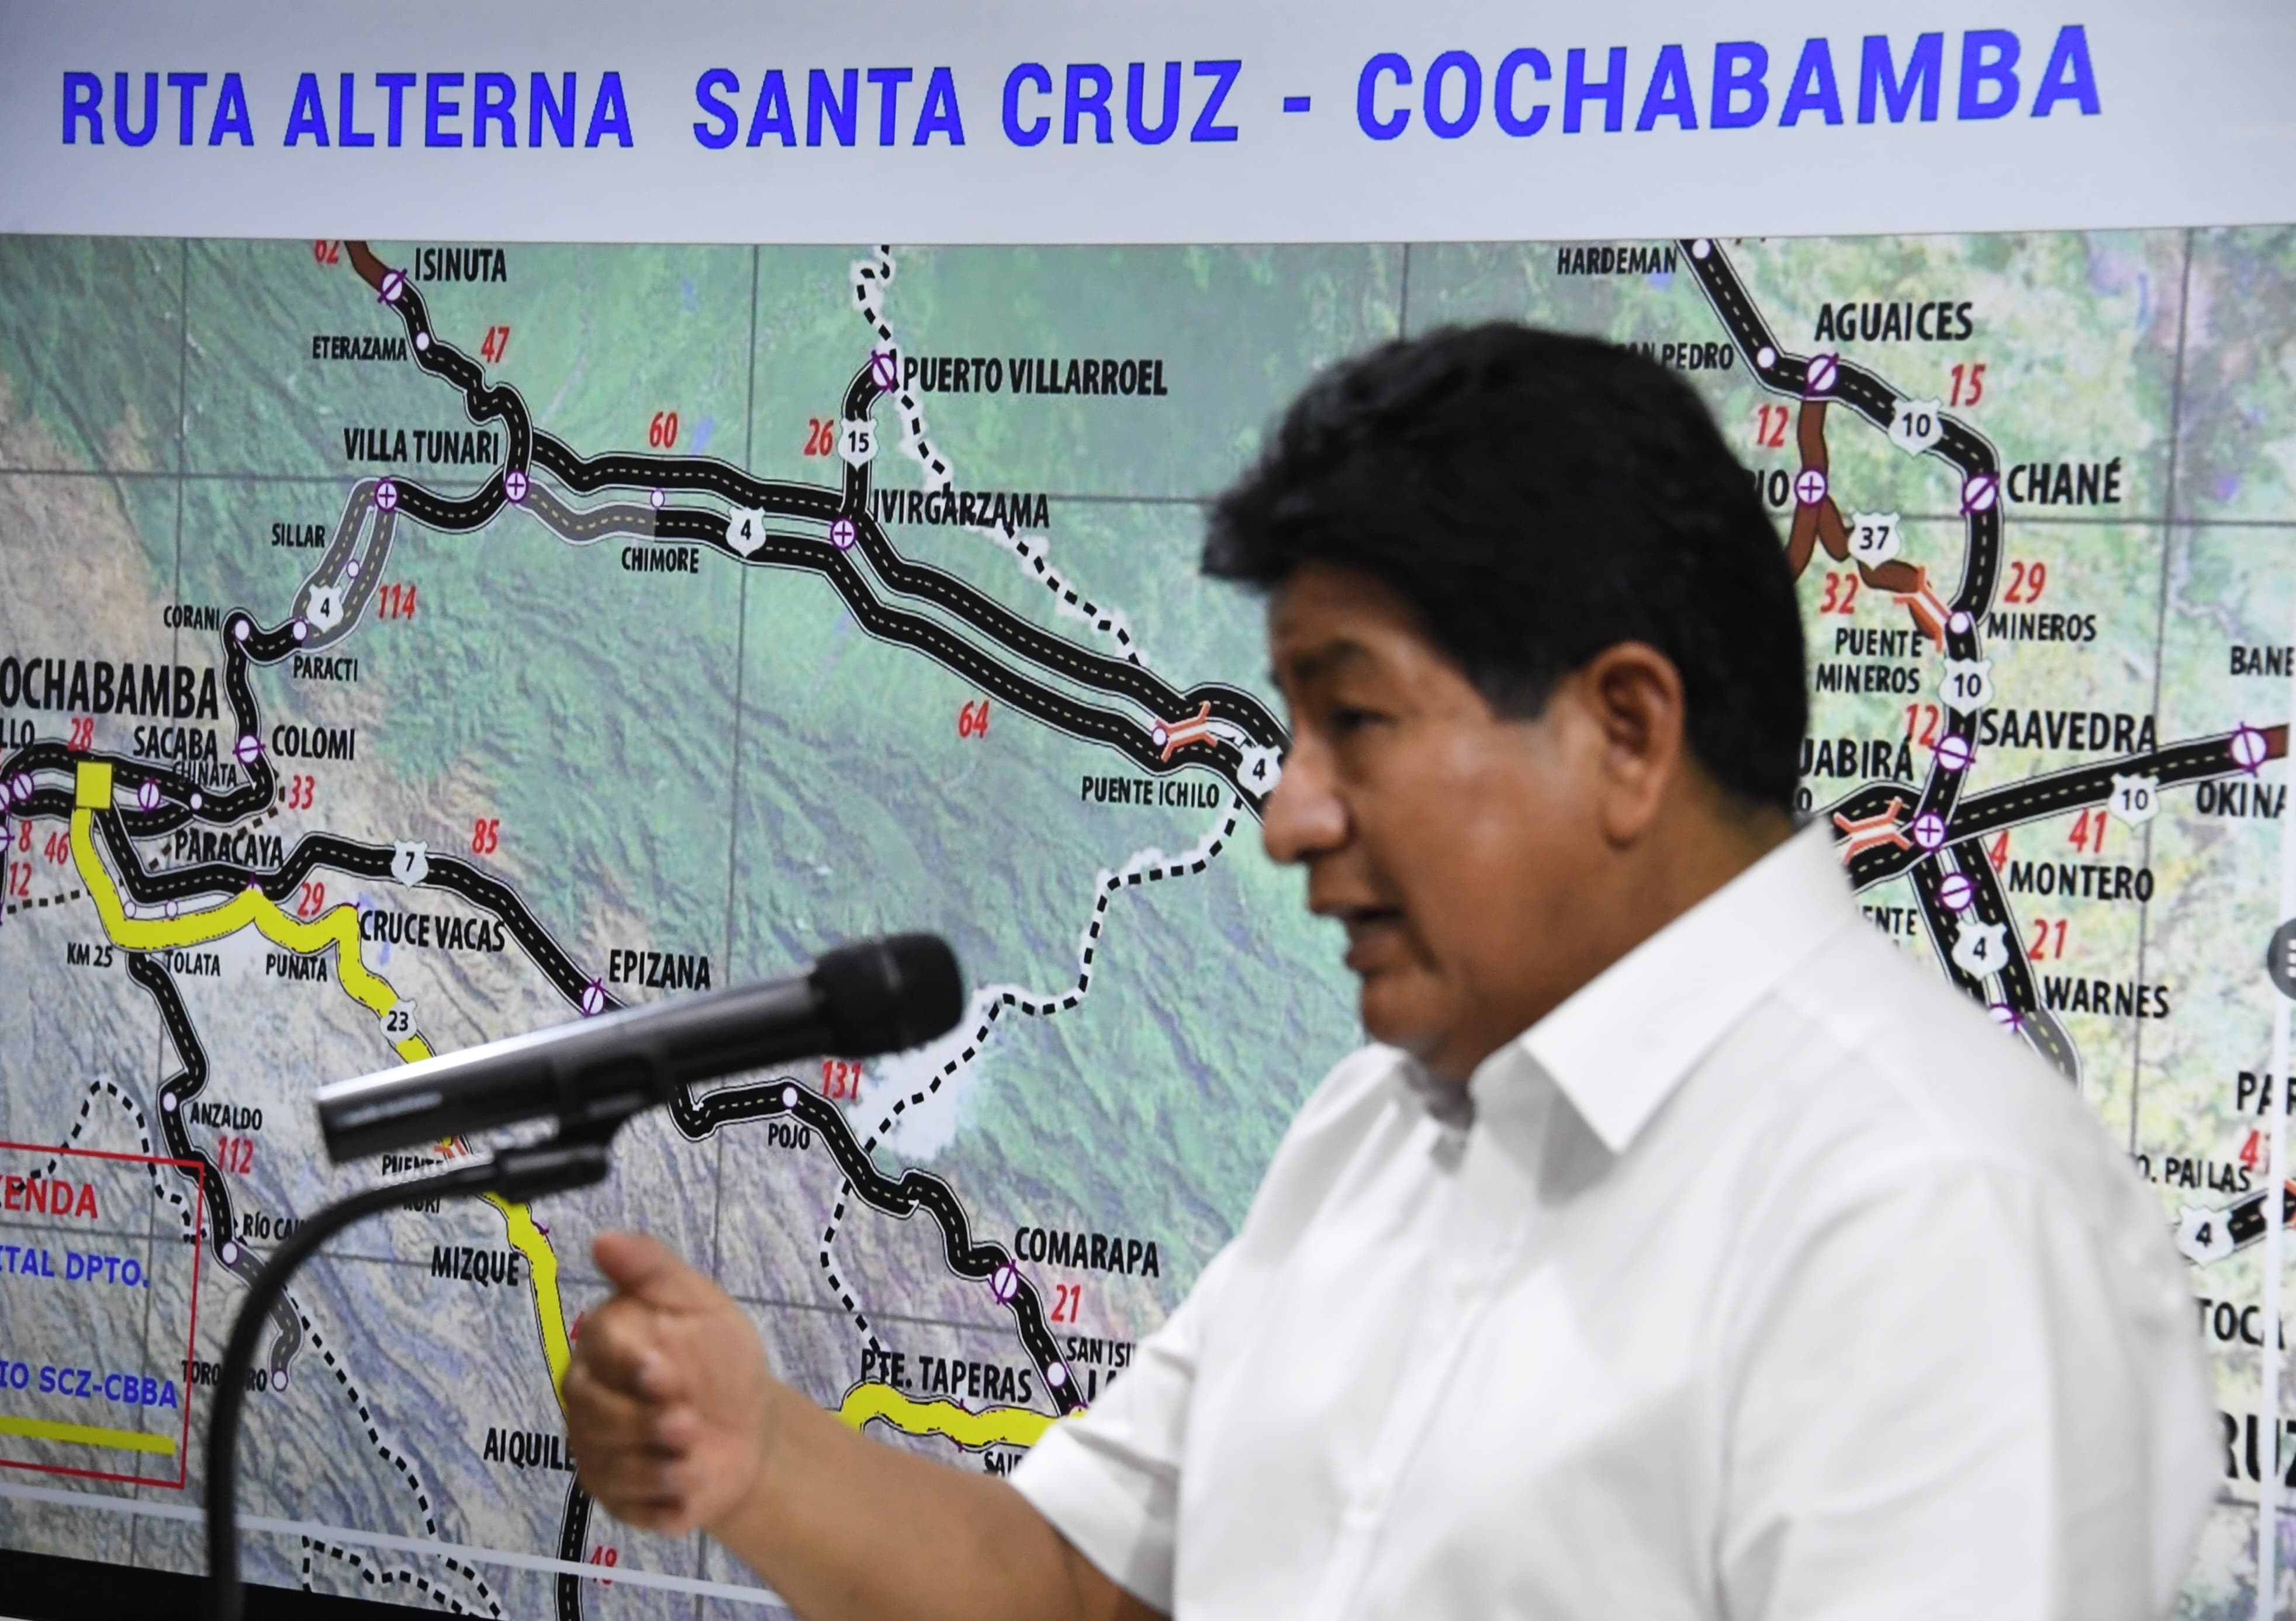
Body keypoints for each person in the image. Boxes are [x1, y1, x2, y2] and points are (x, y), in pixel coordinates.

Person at [562, 323, 2214, 1619]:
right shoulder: (1379, 1134)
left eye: (1355, 718)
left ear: (1626, 733)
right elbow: (1078, 1592)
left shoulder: (1936, 1215)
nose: (1287, 814)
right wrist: (753, 1450)